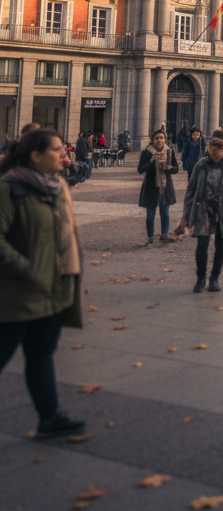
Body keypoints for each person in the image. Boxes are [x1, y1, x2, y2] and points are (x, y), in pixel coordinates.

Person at [0, 128, 85, 439]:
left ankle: (49, 418)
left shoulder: (57, 186)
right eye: (57, 150)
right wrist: (25, 268)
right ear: (36, 156)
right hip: (18, 293)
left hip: (53, 290)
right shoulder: (10, 188)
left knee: (40, 354)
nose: (65, 154)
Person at [176, 131, 223, 293]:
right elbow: (191, 191)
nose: (212, 153)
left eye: (216, 150)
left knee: (221, 244)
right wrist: (186, 216)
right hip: (203, 209)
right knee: (202, 244)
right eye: (210, 149)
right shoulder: (201, 164)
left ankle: (214, 278)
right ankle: (201, 278)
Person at [137, 128, 180, 244]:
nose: (159, 140)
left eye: (161, 138)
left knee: (164, 212)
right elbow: (140, 170)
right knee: (150, 214)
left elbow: (176, 168)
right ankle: (150, 237)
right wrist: (151, 162)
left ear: (165, 139)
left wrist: (170, 168)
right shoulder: (146, 152)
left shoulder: (169, 152)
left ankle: (164, 234)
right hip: (150, 186)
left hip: (165, 186)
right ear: (153, 140)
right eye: (157, 138)